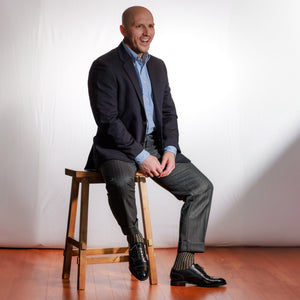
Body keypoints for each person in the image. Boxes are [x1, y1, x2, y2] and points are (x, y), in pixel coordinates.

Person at [85, 6, 226, 287]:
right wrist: (140, 156)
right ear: (124, 30)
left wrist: (170, 150)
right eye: (139, 26)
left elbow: (168, 113)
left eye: (151, 26)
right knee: (123, 179)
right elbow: (108, 121)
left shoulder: (158, 66)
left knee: (201, 188)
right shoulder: (105, 66)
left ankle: (184, 265)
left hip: (156, 146)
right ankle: (136, 242)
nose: (147, 32)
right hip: (118, 147)